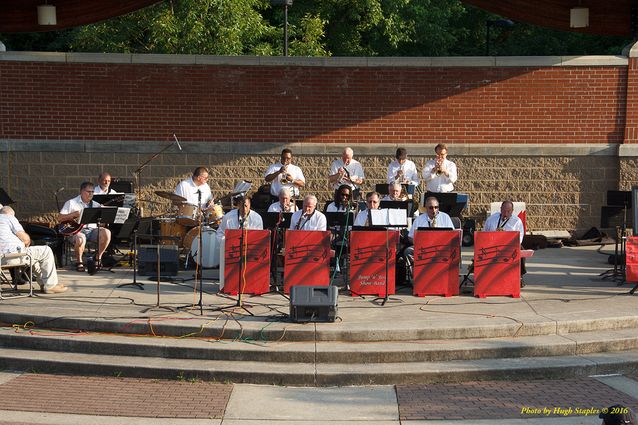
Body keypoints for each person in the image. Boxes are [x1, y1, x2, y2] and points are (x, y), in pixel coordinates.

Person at [0, 206, 66, 294]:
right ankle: (50, 286)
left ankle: (44, 283)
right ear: (11, 214)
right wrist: (25, 244)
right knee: (46, 250)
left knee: (32, 256)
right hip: (12, 256)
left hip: (1, 260)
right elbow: (25, 239)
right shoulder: (7, 217)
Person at [59, 182, 112, 272]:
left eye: (92, 192)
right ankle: (79, 261)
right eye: (88, 192)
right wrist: (74, 214)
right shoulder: (71, 203)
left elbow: (101, 224)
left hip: (92, 230)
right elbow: (59, 218)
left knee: (107, 233)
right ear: (81, 191)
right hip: (76, 231)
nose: (91, 194)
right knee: (81, 238)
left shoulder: (96, 204)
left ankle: (97, 258)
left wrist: (104, 215)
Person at [404, 196, 454, 272]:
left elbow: (453, 235)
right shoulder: (419, 219)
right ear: (426, 208)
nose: (434, 210)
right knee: (408, 251)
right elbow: (410, 237)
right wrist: (418, 244)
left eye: (436, 207)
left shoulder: (445, 217)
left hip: (441, 247)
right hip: (423, 248)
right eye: (431, 208)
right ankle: (416, 273)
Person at [483, 200, 527, 287]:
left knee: (520, 250)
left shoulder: (517, 221)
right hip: (493, 245)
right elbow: (484, 233)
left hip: (510, 246)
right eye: (503, 211)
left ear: (512, 211)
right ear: (500, 209)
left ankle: (520, 276)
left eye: (508, 211)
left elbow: (520, 237)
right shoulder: (491, 219)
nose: (505, 213)